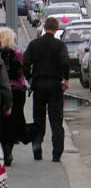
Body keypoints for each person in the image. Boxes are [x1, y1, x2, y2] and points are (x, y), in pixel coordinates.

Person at [23, 17, 70, 162]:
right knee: (56, 121)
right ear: (56, 28)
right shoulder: (59, 45)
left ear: (44, 26)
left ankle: (37, 151)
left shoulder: (34, 44)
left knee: (38, 119)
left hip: (39, 84)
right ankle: (56, 155)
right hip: (55, 84)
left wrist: (30, 78)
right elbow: (65, 62)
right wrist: (66, 78)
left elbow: (25, 62)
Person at [0, 28, 30, 166]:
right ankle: (9, 151)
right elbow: (20, 73)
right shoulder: (18, 54)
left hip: (3, 91)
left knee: (3, 123)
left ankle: (5, 151)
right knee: (13, 120)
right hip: (17, 91)